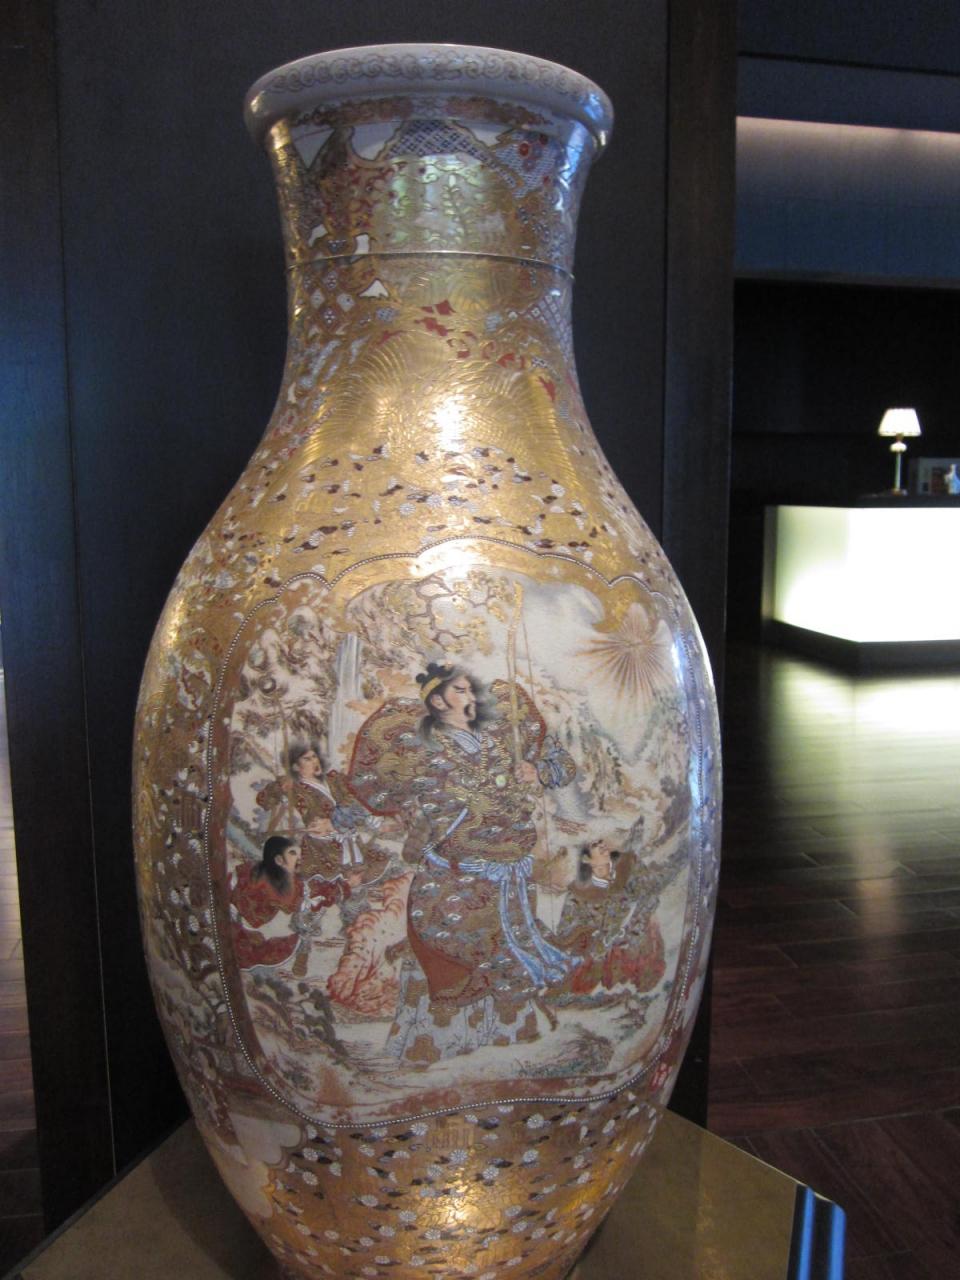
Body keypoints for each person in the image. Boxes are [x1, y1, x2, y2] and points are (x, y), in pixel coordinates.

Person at [346, 661, 577, 1062]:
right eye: (460, 691)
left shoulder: (501, 738)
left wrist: (536, 770)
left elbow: (563, 767)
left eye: (471, 689)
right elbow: (394, 801)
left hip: (508, 872)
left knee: (506, 950)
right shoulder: (424, 749)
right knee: (452, 948)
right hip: (455, 873)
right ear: (437, 702)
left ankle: (505, 1039)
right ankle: (438, 1044)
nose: (471, 697)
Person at [256, 741, 388, 885]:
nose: (314, 761)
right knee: (329, 885)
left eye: (314, 756)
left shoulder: (333, 779)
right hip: (321, 848)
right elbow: (264, 800)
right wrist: (278, 786)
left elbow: (355, 799)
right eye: (307, 759)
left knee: (359, 878)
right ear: (295, 766)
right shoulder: (295, 787)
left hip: (349, 839)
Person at [555, 837, 665, 998]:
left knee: (650, 926)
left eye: (601, 842)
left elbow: (650, 896)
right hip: (604, 947)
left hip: (635, 935)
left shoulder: (628, 865)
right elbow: (565, 933)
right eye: (594, 845)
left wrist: (634, 930)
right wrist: (593, 936)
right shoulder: (578, 894)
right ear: (586, 859)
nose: (601, 845)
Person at [228, 835, 350, 973]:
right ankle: (303, 949)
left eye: (299, 854)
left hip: (260, 922)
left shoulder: (285, 876)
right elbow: (292, 903)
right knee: (307, 915)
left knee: (317, 899)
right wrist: (313, 901)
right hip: (257, 930)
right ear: (279, 860)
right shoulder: (270, 881)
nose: (299, 858)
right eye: (293, 853)